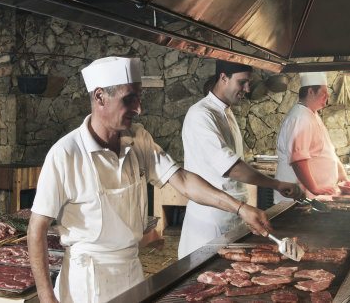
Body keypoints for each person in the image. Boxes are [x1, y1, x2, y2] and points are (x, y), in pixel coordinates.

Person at [28, 57, 272, 303]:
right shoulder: (66, 154)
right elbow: (36, 229)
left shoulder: (138, 139)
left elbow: (183, 180)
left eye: (139, 98)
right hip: (87, 282)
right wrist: (47, 299)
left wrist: (240, 208)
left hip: (132, 271)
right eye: (129, 99)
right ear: (100, 97)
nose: (139, 109)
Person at [177, 60, 302, 258]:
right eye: (242, 82)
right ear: (223, 78)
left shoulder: (226, 112)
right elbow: (232, 168)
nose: (247, 89)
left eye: (248, 83)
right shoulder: (201, 114)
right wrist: (276, 184)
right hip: (211, 221)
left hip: (233, 214)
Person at [274, 72, 348, 203]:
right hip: (298, 196)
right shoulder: (300, 118)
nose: (327, 97)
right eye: (324, 93)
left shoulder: (312, 114)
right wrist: (314, 188)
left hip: (313, 196)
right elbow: (298, 160)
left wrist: (341, 174)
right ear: (310, 92)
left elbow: (326, 149)